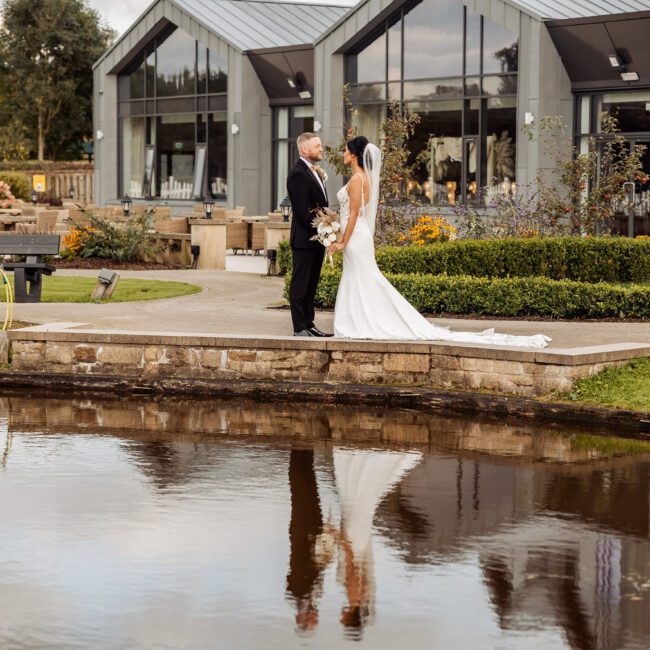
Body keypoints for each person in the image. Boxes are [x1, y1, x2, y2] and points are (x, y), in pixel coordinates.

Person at [327, 136, 551, 347]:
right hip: (357, 235)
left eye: (345, 150)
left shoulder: (357, 179)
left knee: (363, 278)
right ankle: (360, 320)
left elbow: (355, 213)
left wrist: (343, 241)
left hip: (355, 236)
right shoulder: (361, 178)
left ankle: (362, 322)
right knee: (361, 278)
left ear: (354, 154)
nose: (343, 153)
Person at [286, 133, 333, 337]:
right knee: (300, 285)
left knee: (311, 285)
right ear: (304, 150)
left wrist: (327, 229)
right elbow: (303, 211)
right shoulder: (298, 173)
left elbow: (320, 205)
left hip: (317, 239)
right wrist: (324, 228)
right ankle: (299, 327)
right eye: (317, 146)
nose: (321, 149)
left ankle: (309, 324)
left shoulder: (314, 171)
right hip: (304, 239)